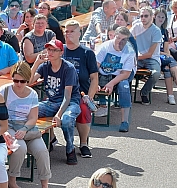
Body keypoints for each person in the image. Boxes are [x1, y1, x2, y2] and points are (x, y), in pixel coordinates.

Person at [0, 62, 51, 188]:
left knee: (42, 151)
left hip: (27, 126)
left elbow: (33, 118)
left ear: (28, 80)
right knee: (20, 148)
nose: (19, 84)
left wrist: (24, 129)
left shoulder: (32, 94)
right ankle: (12, 180)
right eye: (16, 80)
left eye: (23, 81)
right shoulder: (4, 91)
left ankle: (45, 184)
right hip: (9, 125)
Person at [30, 40, 81, 164]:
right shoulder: (45, 66)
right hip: (51, 102)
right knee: (29, 111)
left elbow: (67, 96)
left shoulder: (68, 68)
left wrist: (58, 115)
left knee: (67, 119)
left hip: (70, 103)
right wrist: (37, 63)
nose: (50, 52)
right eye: (49, 49)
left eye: (54, 50)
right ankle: (46, 141)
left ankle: (70, 149)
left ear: (61, 53)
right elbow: (29, 82)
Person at [62, 21, 99, 158]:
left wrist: (89, 97)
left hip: (80, 93)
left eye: (72, 31)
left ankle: (83, 143)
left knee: (83, 109)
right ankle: (51, 140)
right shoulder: (60, 50)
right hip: (61, 94)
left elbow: (94, 78)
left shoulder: (87, 53)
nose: (68, 34)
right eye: (66, 31)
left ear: (79, 34)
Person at [95, 26, 135, 132]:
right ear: (114, 36)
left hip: (119, 75)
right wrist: (95, 82)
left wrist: (111, 83)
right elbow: (95, 66)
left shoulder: (130, 51)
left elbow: (126, 73)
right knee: (88, 80)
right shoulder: (104, 47)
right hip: (102, 73)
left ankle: (124, 121)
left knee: (124, 86)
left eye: (124, 39)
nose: (120, 41)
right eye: (118, 38)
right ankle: (87, 112)